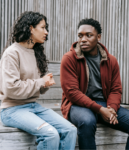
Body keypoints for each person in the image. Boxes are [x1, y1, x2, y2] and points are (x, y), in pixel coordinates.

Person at [60, 18, 129, 150]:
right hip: (77, 105)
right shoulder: (69, 58)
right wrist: (101, 110)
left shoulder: (111, 60)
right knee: (87, 122)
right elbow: (72, 92)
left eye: (89, 35)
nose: (83, 39)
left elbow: (116, 89)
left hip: (104, 104)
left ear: (98, 37)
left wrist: (111, 109)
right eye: (80, 36)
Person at [0, 11, 77, 150]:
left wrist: (45, 84)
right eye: (43, 27)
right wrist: (41, 82)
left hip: (33, 106)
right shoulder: (11, 53)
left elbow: (38, 87)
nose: (46, 32)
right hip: (12, 110)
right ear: (31, 28)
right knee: (50, 134)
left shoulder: (36, 53)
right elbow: (11, 88)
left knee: (70, 130)